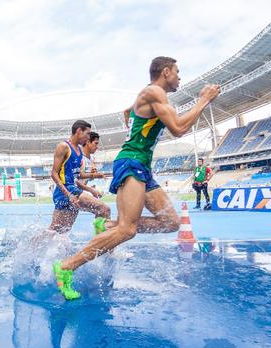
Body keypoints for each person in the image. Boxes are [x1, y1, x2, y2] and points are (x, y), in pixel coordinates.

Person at [53, 56, 220, 300]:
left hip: (142, 166)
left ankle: (108, 226)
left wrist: (130, 115)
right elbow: (178, 128)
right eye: (177, 72)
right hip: (132, 163)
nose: (179, 78)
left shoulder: (153, 96)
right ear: (165, 72)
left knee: (170, 222)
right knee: (128, 230)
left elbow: (131, 111)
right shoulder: (154, 91)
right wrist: (203, 100)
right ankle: (66, 266)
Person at [48, 125, 112, 234]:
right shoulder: (64, 146)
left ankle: (30, 246)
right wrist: (69, 195)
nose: (88, 137)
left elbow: (77, 176)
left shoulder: (78, 151)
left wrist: (94, 180)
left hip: (70, 191)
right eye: (87, 134)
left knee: (58, 230)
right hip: (67, 191)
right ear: (79, 131)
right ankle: (101, 246)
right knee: (104, 210)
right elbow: (54, 173)